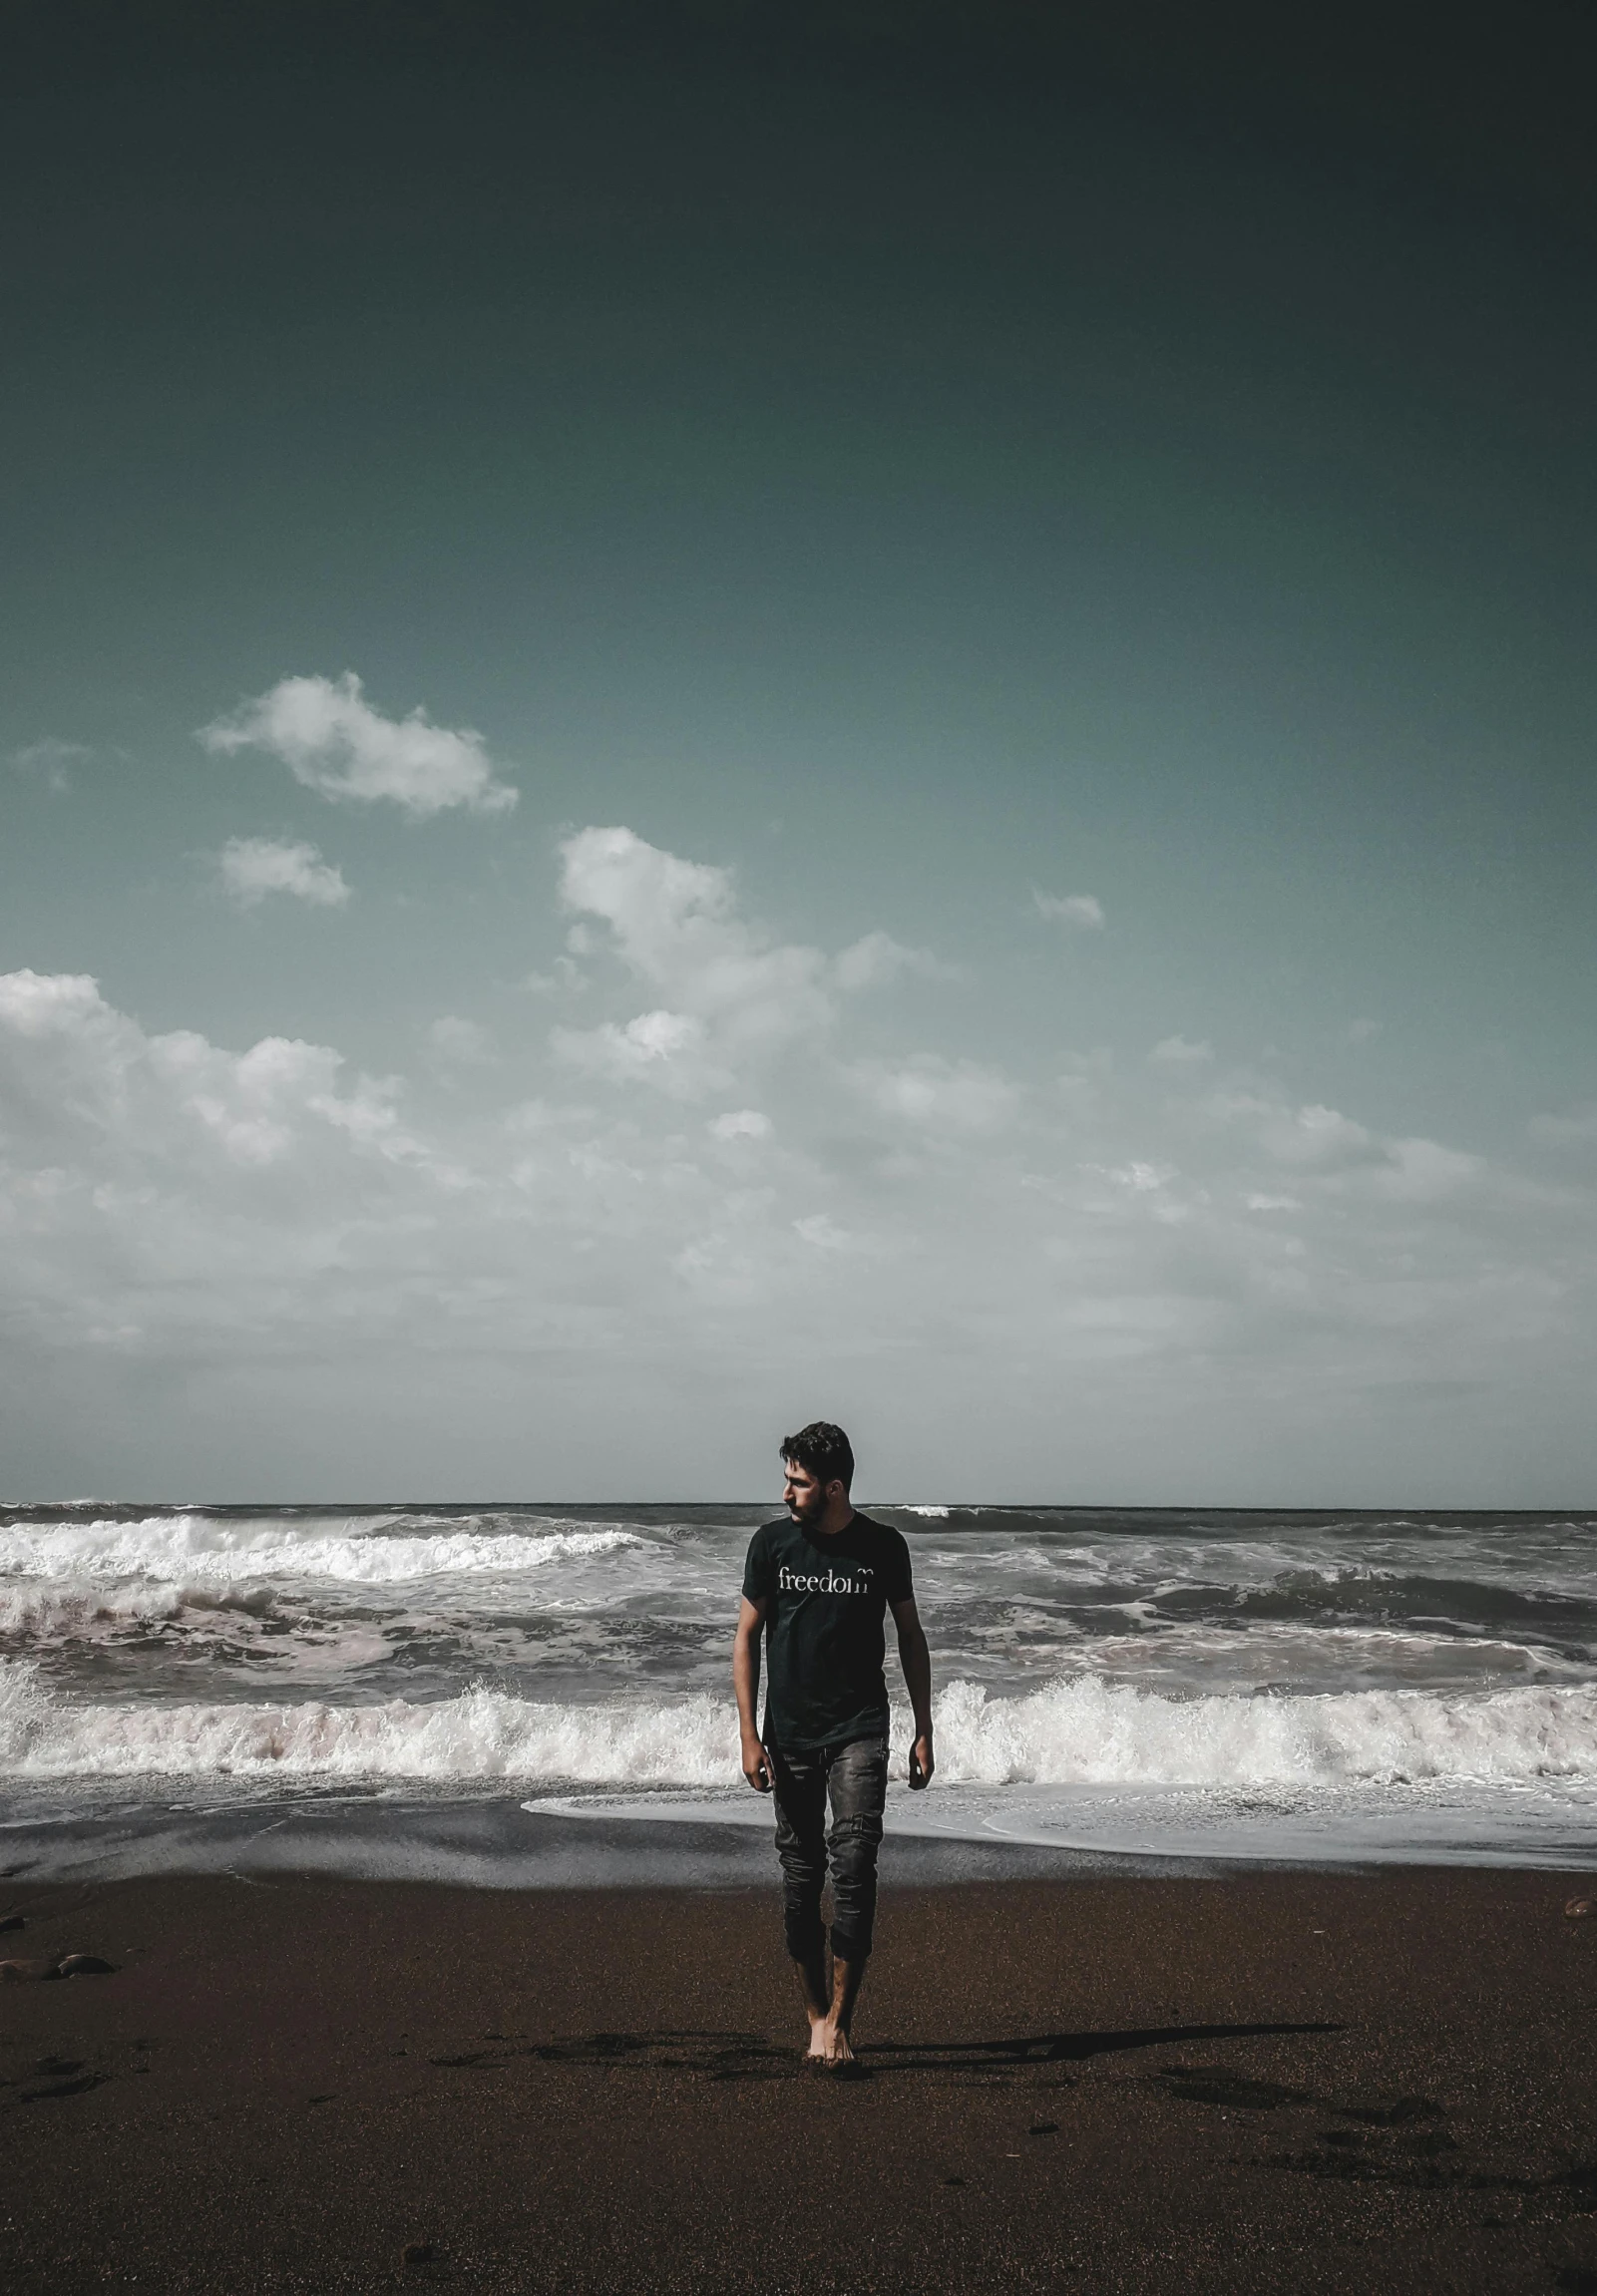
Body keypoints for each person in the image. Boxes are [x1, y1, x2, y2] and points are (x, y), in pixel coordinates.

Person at [732, 1421, 935, 2070]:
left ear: (834, 1487)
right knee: (799, 1879)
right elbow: (745, 1638)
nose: (786, 1492)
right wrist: (747, 1735)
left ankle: (841, 2025)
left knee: (853, 1867)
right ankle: (813, 2015)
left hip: (858, 1731)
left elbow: (909, 1634)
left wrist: (923, 1727)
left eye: (798, 1482)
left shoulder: (881, 1546)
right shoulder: (770, 1546)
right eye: (787, 1480)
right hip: (788, 1737)